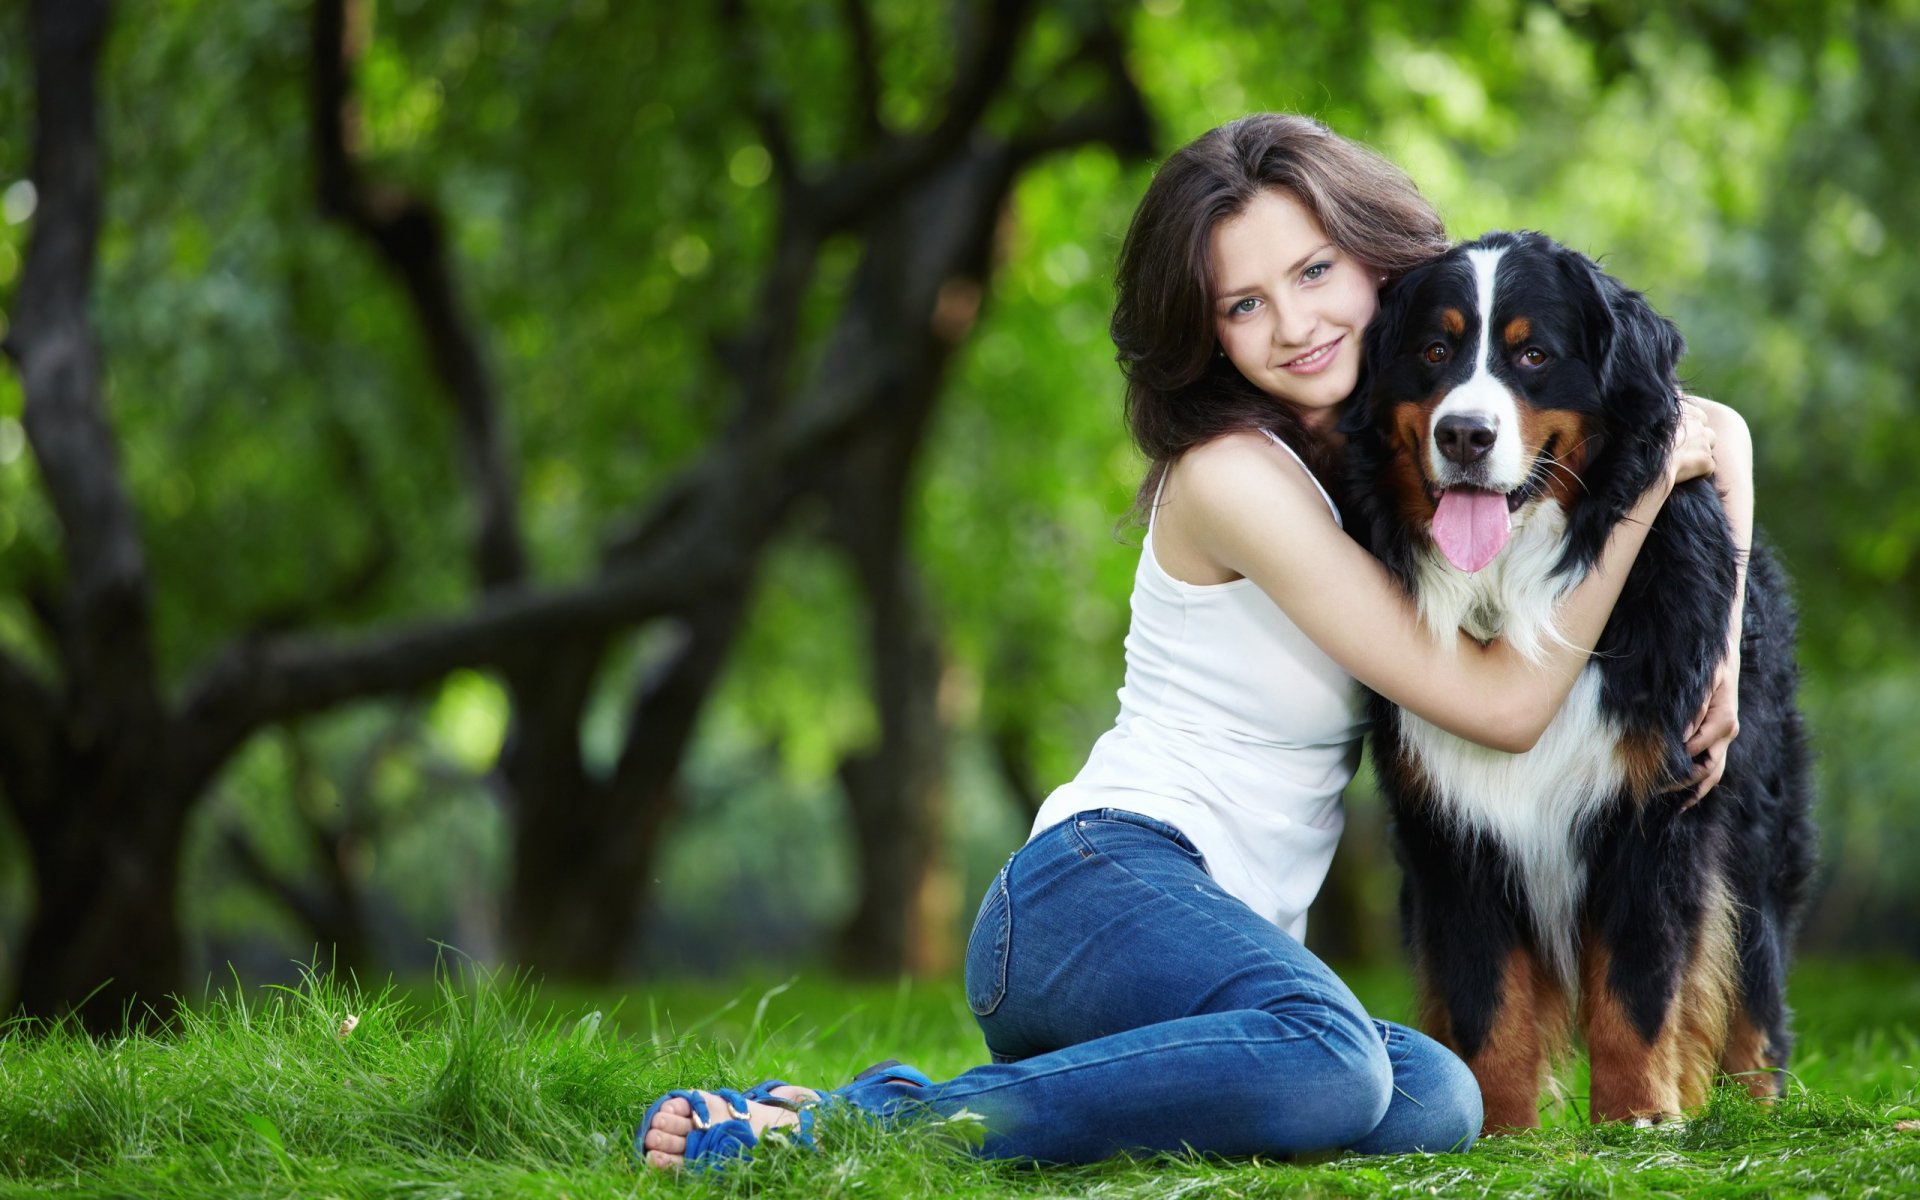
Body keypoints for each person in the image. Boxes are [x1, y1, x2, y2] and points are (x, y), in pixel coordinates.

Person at [637, 112, 1750, 1169]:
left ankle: (1070, 1090)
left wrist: (1726, 653)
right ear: (1205, 334)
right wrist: (1649, 494)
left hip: (1212, 947)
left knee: (1437, 1101)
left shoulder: (1385, 459)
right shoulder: (1231, 476)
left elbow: (1717, 429)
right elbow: (1506, 708)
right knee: (1331, 1065)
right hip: (1096, 887)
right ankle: (858, 1125)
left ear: (1376, 262)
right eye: (1244, 305)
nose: (1297, 324)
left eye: (1314, 274)